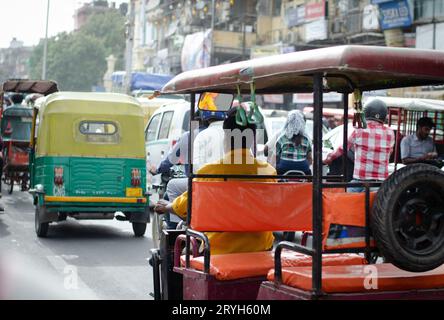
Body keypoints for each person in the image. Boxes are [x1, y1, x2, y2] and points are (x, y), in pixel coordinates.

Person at [154, 107, 276, 255]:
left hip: (216, 249)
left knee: (181, 251)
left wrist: (168, 207)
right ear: (253, 138)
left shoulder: (208, 172)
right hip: (262, 247)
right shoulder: (269, 171)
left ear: (226, 136)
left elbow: (186, 206)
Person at [324, 98, 395, 193]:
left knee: (344, 201)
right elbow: (390, 152)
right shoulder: (390, 132)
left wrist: (329, 158)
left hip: (361, 182)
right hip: (381, 183)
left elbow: (342, 149)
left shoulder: (358, 129)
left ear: (366, 113)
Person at [265, 110, 312, 175]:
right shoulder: (306, 139)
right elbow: (310, 158)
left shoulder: (282, 138)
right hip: (303, 168)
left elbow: (274, 157)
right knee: (309, 173)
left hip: (284, 167)